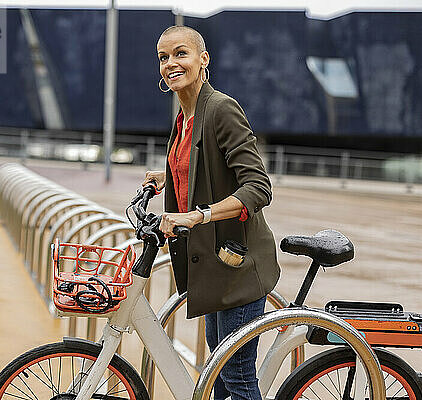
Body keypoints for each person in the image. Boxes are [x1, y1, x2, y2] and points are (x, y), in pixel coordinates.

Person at [142, 25, 280, 400]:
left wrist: (196, 216)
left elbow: (256, 187)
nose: (171, 63)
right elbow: (204, 170)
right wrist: (167, 177)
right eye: (163, 57)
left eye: (180, 53)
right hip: (212, 268)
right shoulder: (185, 115)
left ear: (203, 59)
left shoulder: (221, 108)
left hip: (237, 266)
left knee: (236, 380)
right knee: (217, 377)